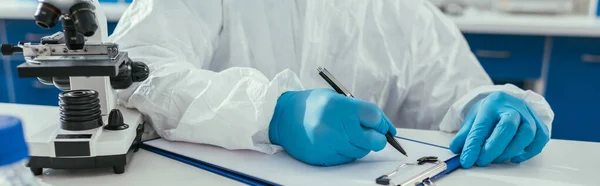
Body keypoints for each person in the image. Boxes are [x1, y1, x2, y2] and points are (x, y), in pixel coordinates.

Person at [108, 0, 553, 168]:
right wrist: (272, 114)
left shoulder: (408, 14)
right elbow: (136, 69)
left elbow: (457, 91)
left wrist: (485, 104)